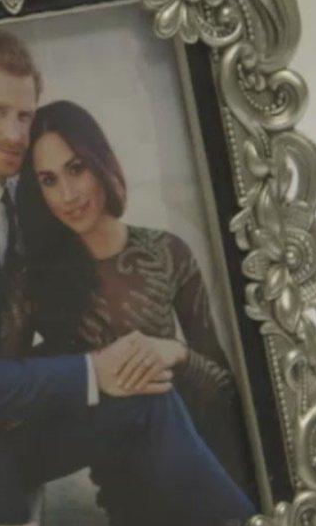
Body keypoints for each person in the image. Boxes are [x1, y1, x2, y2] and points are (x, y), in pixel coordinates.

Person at [0, 30, 253, 526]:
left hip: (27, 406)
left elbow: (218, 382)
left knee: (148, 389)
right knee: (143, 389)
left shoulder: (8, 185)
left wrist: (132, 359)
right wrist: (92, 370)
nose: (14, 133)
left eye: (23, 116)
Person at [13, 99, 258, 500]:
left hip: (206, 456)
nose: (68, 194)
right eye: (48, 180)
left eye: (76, 169)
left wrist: (175, 353)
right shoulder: (34, 281)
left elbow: (226, 390)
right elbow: (8, 397)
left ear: (100, 162)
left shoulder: (167, 252)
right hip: (131, 487)